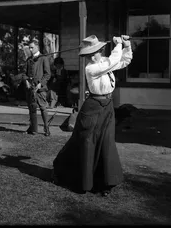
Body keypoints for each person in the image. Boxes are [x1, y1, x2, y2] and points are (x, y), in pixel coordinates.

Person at [52, 34, 133, 196]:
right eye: (91, 53)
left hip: (107, 106)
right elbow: (113, 61)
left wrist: (127, 46)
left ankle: (104, 183)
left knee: (106, 141)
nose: (95, 55)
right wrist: (118, 46)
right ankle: (79, 178)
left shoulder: (104, 62)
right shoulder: (90, 68)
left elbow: (124, 61)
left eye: (97, 51)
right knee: (87, 141)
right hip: (93, 107)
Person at [22, 39, 51, 136]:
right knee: (32, 109)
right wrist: (26, 80)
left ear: (37, 47)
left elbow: (47, 74)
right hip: (31, 88)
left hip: (40, 88)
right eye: (29, 47)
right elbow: (24, 73)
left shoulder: (43, 58)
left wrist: (41, 84)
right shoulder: (29, 60)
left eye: (32, 47)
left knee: (43, 108)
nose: (30, 49)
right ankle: (33, 129)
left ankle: (46, 128)